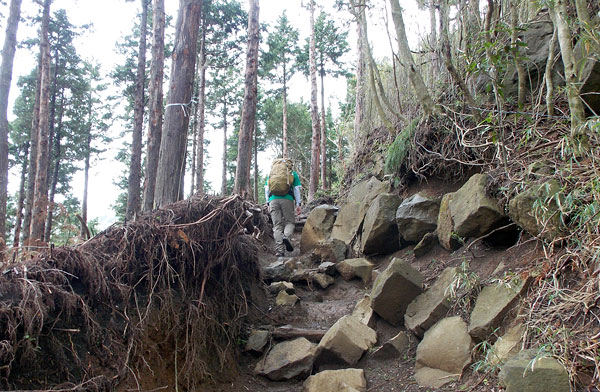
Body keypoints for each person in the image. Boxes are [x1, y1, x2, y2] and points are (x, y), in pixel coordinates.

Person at [265, 159, 302, 257]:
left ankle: (280, 251)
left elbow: (266, 188)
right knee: (290, 222)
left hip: (273, 199)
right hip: (287, 199)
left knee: (277, 225)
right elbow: (297, 189)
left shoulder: (272, 174)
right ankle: (286, 236)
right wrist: (298, 204)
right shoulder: (292, 173)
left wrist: (268, 203)